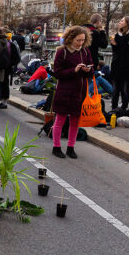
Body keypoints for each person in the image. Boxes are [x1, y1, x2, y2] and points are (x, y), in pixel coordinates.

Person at [50, 26, 93, 159]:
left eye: (83, 40)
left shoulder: (85, 51)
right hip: (65, 90)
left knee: (75, 121)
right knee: (60, 120)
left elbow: (91, 69)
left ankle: (71, 147)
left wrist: (88, 70)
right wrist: (73, 70)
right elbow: (57, 73)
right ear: (70, 38)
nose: (80, 43)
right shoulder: (62, 52)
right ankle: (56, 147)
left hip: (80, 91)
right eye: (78, 40)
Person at [110, 16, 129, 111]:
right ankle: (114, 108)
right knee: (115, 89)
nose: (120, 22)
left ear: (128, 23)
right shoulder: (118, 34)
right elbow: (117, 51)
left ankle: (123, 108)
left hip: (127, 67)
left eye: (122, 20)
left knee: (125, 89)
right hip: (116, 65)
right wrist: (114, 45)